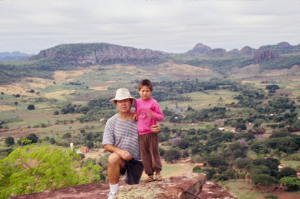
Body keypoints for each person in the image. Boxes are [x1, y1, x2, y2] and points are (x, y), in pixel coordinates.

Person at [102, 88, 161, 199]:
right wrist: (121, 151)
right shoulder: (111, 122)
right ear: (116, 104)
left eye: (126, 101)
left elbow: (153, 127)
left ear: (131, 102)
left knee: (130, 192)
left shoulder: (140, 118)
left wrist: (157, 128)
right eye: (120, 101)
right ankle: (113, 192)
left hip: (138, 160)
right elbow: (107, 145)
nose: (123, 104)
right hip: (121, 159)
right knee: (112, 158)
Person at [133, 79, 164, 183]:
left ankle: (158, 172)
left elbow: (161, 116)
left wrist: (153, 115)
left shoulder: (153, 103)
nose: (144, 93)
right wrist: (134, 115)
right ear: (139, 91)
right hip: (141, 134)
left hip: (151, 132)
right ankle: (150, 174)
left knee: (154, 153)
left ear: (151, 91)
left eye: (147, 91)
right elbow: (136, 112)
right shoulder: (137, 102)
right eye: (142, 91)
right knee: (145, 155)